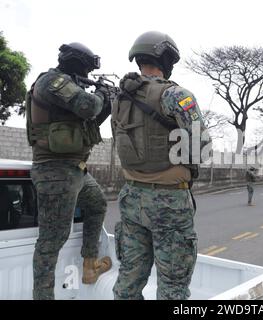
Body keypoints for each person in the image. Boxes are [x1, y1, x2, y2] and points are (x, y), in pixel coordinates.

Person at [111, 31, 209, 300]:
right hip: (169, 201)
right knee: (173, 287)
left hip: (131, 196)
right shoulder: (176, 95)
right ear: (167, 59)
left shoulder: (119, 99)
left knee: (129, 279)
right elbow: (202, 145)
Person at [25, 42, 112, 300]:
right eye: (86, 69)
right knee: (51, 242)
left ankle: (89, 265)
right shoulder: (53, 82)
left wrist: (106, 102)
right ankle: (43, 296)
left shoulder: (67, 92)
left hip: (75, 171)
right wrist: (103, 95)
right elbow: (87, 106)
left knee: (97, 204)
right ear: (77, 64)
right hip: (55, 172)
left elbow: (90, 119)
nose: (86, 77)